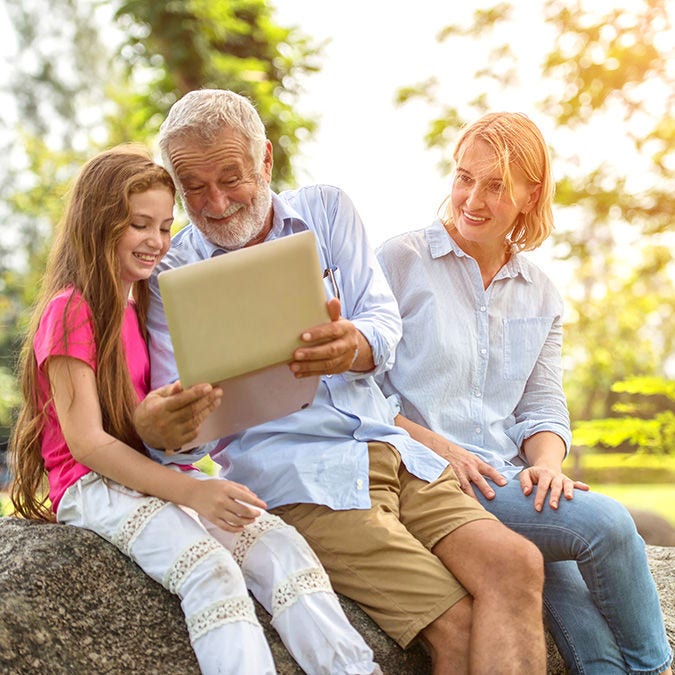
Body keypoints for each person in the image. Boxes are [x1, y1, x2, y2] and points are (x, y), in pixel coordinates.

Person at [142, 88, 548, 674]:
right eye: (194, 186)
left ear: (266, 161)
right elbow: (184, 434)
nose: (216, 202)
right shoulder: (170, 277)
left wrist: (354, 345)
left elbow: (384, 325)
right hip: (304, 482)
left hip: (394, 451)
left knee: (517, 565)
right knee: (457, 623)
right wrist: (166, 429)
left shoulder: (327, 211)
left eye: (231, 177)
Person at [8, 145, 379, 675]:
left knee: (280, 546)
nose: (158, 242)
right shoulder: (71, 310)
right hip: (93, 485)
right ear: (98, 224)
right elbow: (88, 443)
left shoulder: (142, 307)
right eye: (139, 225)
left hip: (155, 473)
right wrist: (193, 491)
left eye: (164, 226)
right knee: (210, 571)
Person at [376, 111, 673, 675]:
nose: (472, 199)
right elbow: (362, 391)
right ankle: (657, 666)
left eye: (494, 186)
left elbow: (542, 404)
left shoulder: (541, 292)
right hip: (435, 479)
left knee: (589, 638)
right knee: (609, 525)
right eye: (464, 178)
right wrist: (443, 448)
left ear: (530, 194)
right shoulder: (401, 261)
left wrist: (548, 465)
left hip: (510, 480)